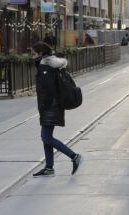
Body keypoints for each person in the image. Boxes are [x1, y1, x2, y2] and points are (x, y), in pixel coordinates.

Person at [30, 41, 83, 177]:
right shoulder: (52, 65)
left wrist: (44, 105)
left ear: (41, 54)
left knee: (46, 137)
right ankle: (49, 168)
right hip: (53, 106)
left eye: (34, 54)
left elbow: (48, 90)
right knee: (46, 137)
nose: (32, 56)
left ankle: (74, 156)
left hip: (50, 107)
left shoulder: (45, 67)